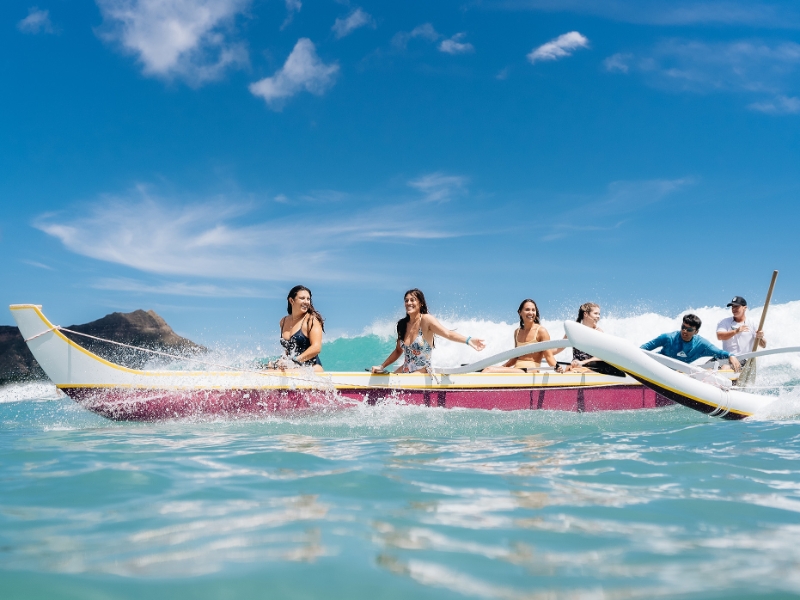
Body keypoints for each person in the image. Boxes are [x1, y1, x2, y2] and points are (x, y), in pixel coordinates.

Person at [371, 288, 486, 374]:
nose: (409, 303)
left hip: (423, 372)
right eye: (406, 300)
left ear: (420, 303)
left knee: (400, 386)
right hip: (405, 369)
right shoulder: (402, 325)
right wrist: (382, 366)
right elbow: (398, 350)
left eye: (412, 300)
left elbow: (448, 333)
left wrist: (469, 340)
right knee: (386, 387)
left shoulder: (426, 320)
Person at [641, 313, 741, 372]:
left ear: (696, 332)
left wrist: (731, 355)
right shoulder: (668, 338)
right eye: (683, 327)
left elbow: (718, 352)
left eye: (689, 330)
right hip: (653, 367)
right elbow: (643, 348)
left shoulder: (701, 345)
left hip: (674, 375)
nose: (684, 331)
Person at [482, 299, 557, 373]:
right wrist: (502, 367)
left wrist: (557, 367)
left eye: (533, 310)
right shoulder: (517, 332)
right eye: (527, 310)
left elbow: (549, 356)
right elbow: (516, 357)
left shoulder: (541, 331)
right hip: (517, 370)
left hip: (530, 371)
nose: (531, 312)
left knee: (488, 370)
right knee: (485, 369)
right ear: (520, 312)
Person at [552, 302, 625, 376]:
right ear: (585, 314)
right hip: (575, 366)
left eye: (599, 314)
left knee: (571, 372)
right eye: (595, 313)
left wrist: (583, 362)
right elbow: (558, 349)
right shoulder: (573, 330)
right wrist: (544, 353)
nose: (598, 316)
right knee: (564, 371)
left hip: (592, 367)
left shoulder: (598, 332)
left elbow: (602, 355)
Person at [273, 285, 325, 372]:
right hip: (292, 366)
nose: (306, 302)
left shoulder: (311, 320)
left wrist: (294, 361)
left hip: (311, 368)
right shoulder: (283, 321)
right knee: (266, 368)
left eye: (308, 299)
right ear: (291, 300)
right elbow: (288, 349)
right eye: (302, 298)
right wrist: (281, 361)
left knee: (274, 373)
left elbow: (316, 348)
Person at [716, 296, 766, 367]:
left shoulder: (753, 323)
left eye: (736, 306)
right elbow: (720, 336)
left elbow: (764, 345)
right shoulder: (724, 322)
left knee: (724, 367)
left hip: (743, 359)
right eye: (732, 307)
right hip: (726, 357)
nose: (734, 309)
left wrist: (760, 337)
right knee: (705, 367)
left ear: (744, 308)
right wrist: (736, 331)